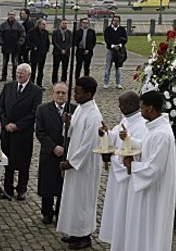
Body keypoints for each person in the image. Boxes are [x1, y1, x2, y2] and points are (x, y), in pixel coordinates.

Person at [121, 91, 176, 251]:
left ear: (150, 108)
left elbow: (154, 168)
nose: (140, 110)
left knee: (150, 229)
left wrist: (132, 166)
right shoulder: (155, 129)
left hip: (155, 193)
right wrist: (129, 140)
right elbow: (146, 146)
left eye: (142, 107)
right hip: (148, 190)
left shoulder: (161, 134)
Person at [56, 76, 102, 250]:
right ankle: (73, 231)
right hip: (75, 163)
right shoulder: (81, 109)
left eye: (78, 92)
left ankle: (84, 235)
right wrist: (67, 124)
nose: (74, 94)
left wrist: (71, 162)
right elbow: (71, 133)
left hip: (85, 167)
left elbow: (88, 144)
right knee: (73, 199)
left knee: (83, 200)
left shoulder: (94, 116)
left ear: (88, 94)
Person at [98, 91, 147, 251]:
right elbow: (114, 138)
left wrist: (112, 159)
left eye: (122, 104)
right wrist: (105, 134)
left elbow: (137, 153)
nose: (119, 107)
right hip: (117, 179)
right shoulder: (126, 120)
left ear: (133, 105)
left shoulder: (141, 125)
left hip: (128, 180)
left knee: (124, 214)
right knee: (116, 213)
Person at [0, 63, 42, 201]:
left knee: (23, 162)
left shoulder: (36, 91)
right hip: (7, 131)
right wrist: (5, 123)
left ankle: (22, 188)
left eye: (22, 73)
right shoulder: (8, 86)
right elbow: (0, 106)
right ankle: (8, 187)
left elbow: (34, 113)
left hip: (23, 132)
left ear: (29, 75)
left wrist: (17, 125)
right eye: (17, 72)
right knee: (8, 160)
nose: (19, 75)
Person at [35, 82, 76, 225]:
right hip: (49, 152)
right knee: (47, 185)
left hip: (66, 153)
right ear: (53, 93)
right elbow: (40, 132)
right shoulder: (43, 109)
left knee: (62, 186)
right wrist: (53, 147)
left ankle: (60, 212)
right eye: (57, 92)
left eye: (63, 93)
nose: (60, 95)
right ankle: (47, 213)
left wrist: (67, 147)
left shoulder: (74, 110)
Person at [0, 11, 26, 82]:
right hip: (5, 46)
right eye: (10, 15)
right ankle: (4, 76)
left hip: (15, 47)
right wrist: (0, 42)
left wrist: (19, 43)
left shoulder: (19, 25)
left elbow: (23, 35)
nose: (11, 16)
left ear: (15, 16)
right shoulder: (3, 25)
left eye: (13, 15)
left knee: (15, 63)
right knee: (4, 63)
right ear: (8, 15)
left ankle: (14, 77)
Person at [103, 15, 128, 89]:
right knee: (108, 67)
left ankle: (118, 83)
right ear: (112, 21)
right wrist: (112, 46)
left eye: (117, 21)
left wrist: (119, 45)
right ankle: (106, 82)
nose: (115, 22)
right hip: (110, 50)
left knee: (118, 67)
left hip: (119, 50)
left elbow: (125, 39)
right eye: (114, 20)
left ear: (119, 22)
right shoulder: (108, 29)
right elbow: (106, 39)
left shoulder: (122, 29)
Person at [27, 19, 50, 89]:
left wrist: (46, 50)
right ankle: (31, 84)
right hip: (34, 53)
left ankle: (39, 84)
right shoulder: (32, 31)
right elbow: (27, 40)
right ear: (39, 24)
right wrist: (33, 47)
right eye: (43, 24)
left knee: (41, 70)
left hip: (42, 53)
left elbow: (47, 42)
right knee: (33, 69)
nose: (44, 26)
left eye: (45, 24)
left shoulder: (45, 32)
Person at [51, 19, 72, 84]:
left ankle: (63, 81)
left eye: (66, 23)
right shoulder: (55, 32)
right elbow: (54, 42)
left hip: (66, 53)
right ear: (60, 24)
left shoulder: (69, 32)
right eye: (63, 23)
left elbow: (70, 42)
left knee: (65, 68)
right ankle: (54, 82)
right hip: (57, 52)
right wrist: (60, 50)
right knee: (55, 68)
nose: (64, 24)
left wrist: (65, 50)